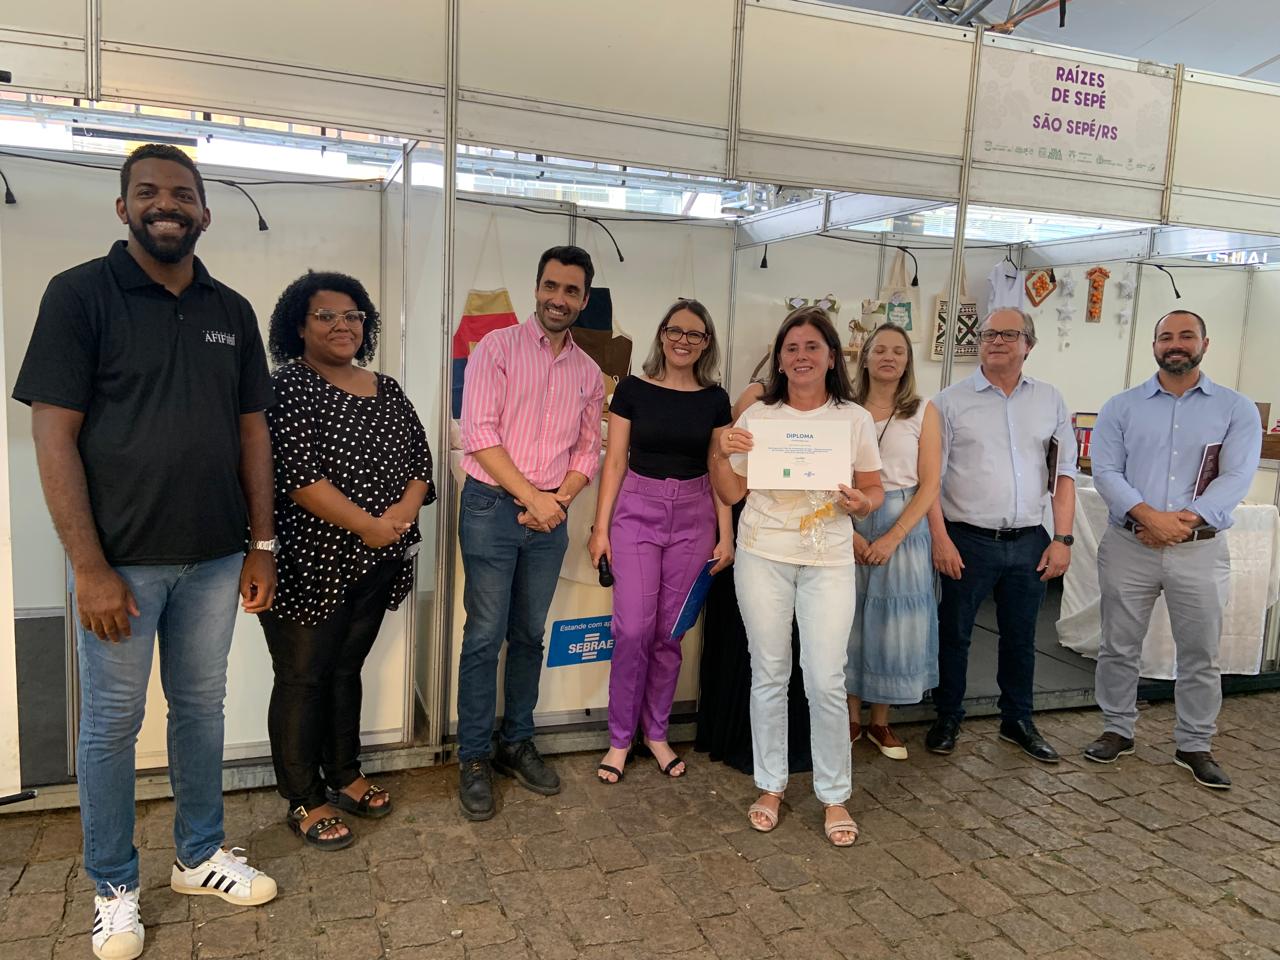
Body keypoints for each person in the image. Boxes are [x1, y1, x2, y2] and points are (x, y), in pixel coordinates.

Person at [13, 144, 278, 960]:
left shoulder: (231, 310)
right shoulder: (80, 295)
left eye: (183, 194)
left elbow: (253, 434)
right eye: (150, 192)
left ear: (205, 212)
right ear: (123, 207)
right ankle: (114, 887)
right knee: (112, 726)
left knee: (200, 708)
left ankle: (198, 856)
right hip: (119, 565)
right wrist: (88, 568)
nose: (168, 204)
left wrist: (261, 543)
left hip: (214, 558)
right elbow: (53, 435)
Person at [258, 271, 435, 847]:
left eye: (353, 315)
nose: (343, 325)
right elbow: (297, 478)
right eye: (326, 315)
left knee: (345, 669)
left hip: (377, 559)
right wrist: (368, 526)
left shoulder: (387, 388)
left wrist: (396, 520)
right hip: (310, 563)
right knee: (302, 677)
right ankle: (303, 796)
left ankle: (344, 772)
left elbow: (420, 464)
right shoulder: (287, 388)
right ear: (298, 326)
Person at [710, 306, 884, 848]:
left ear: (831, 357)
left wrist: (861, 504)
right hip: (762, 553)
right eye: (792, 348)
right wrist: (720, 451)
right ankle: (771, 785)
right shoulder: (758, 416)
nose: (801, 356)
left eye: (812, 347)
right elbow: (730, 491)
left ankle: (834, 794)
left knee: (825, 678)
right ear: (779, 360)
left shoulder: (853, 419)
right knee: (769, 672)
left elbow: (873, 490)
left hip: (828, 558)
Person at [455, 245, 605, 820]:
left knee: (529, 635)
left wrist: (558, 501)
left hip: (550, 517)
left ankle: (516, 742)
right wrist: (534, 498)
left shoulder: (589, 372)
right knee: (483, 635)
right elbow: (479, 434)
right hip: (491, 508)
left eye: (571, 291)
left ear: (583, 300)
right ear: (536, 287)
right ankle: (473, 756)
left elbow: (588, 449)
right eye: (551, 286)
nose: (558, 299)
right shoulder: (496, 348)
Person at [1086, 310, 1261, 789]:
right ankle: (1117, 729)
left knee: (1201, 652)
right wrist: (1150, 518)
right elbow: (1106, 472)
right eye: (1166, 337)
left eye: (1186, 336)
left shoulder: (1236, 409)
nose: (1175, 344)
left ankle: (1194, 743)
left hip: (1199, 549)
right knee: (1118, 645)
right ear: (1154, 346)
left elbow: (1236, 476)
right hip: (1130, 545)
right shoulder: (1121, 407)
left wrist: (1181, 523)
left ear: (1205, 343)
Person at [589, 299, 733, 783]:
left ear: (706, 343)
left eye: (695, 334)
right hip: (637, 514)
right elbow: (615, 462)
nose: (683, 341)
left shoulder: (716, 400)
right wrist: (600, 528)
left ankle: (655, 733)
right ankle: (619, 739)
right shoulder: (632, 389)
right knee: (633, 630)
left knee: (670, 634)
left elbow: (719, 468)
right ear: (662, 334)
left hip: (694, 518)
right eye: (676, 331)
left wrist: (726, 533)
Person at [926, 308, 1077, 763]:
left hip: (1030, 540)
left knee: (1021, 637)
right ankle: (948, 716)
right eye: (989, 334)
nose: (995, 341)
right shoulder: (948, 402)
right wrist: (940, 538)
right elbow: (929, 481)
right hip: (966, 538)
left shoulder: (1050, 400)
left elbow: (1063, 474)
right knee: (954, 634)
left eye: (1009, 334)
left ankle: (1018, 720)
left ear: (1029, 344)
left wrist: (1062, 539)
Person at [846, 324, 942, 759]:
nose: (889, 357)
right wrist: (848, 534)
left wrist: (893, 538)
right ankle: (850, 717)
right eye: (880, 349)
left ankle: (880, 721)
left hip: (904, 522)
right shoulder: (844, 408)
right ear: (864, 357)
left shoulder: (923, 411)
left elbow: (930, 483)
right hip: (849, 515)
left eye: (898, 351)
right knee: (848, 618)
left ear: (907, 361)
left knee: (892, 626)